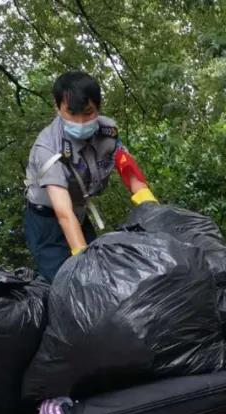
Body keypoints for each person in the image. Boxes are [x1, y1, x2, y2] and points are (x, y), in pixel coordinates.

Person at [24, 71, 158, 281]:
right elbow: (63, 212)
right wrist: (81, 257)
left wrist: (153, 210)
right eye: (71, 114)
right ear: (57, 107)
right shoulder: (48, 148)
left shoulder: (107, 131)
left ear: (98, 107)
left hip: (79, 213)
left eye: (87, 113)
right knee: (67, 280)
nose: (80, 121)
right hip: (48, 221)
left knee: (100, 272)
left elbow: (127, 168)